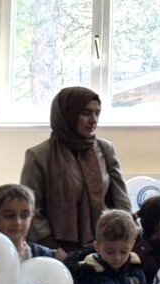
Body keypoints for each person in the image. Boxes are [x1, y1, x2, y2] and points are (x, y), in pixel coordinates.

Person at [19, 85, 132, 259]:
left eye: (97, 113)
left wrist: (125, 237)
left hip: (104, 247)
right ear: (67, 115)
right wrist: (53, 248)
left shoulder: (104, 149)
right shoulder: (39, 155)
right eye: (86, 113)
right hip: (57, 249)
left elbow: (120, 200)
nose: (93, 119)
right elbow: (32, 210)